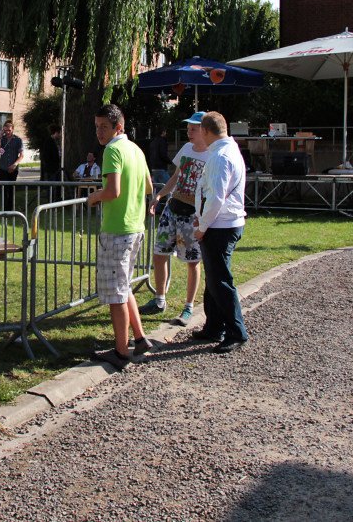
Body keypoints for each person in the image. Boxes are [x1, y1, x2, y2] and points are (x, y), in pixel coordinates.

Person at [87, 104, 154, 369]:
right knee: (124, 286)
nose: (99, 132)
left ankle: (120, 351)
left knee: (116, 294)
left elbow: (112, 191)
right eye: (97, 126)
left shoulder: (113, 150)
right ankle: (139, 338)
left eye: (104, 127)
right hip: (135, 227)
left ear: (118, 127)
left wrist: (93, 197)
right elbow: (148, 185)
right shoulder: (135, 149)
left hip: (117, 230)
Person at [141, 111, 210, 324]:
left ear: (204, 130)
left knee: (192, 261)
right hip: (172, 209)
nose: (189, 132)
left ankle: (188, 307)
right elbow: (176, 176)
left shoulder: (212, 154)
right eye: (188, 128)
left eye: (194, 128)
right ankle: (159, 299)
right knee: (159, 253)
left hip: (192, 215)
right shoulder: (187, 149)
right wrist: (160, 195)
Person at [193, 111, 249, 353]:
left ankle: (236, 331)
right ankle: (214, 326)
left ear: (206, 131)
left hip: (220, 225)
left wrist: (202, 227)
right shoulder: (229, 150)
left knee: (221, 281)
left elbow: (215, 198)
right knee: (214, 279)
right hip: (225, 223)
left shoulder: (220, 157)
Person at [0, 120, 24, 210]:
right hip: (2, 168)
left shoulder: (18, 140)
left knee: (11, 189)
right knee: (3, 189)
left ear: (13, 129)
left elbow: (21, 155)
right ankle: (4, 208)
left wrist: (15, 164)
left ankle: (11, 208)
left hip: (13, 169)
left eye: (9, 130)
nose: (7, 132)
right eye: (5, 130)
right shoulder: (2, 139)